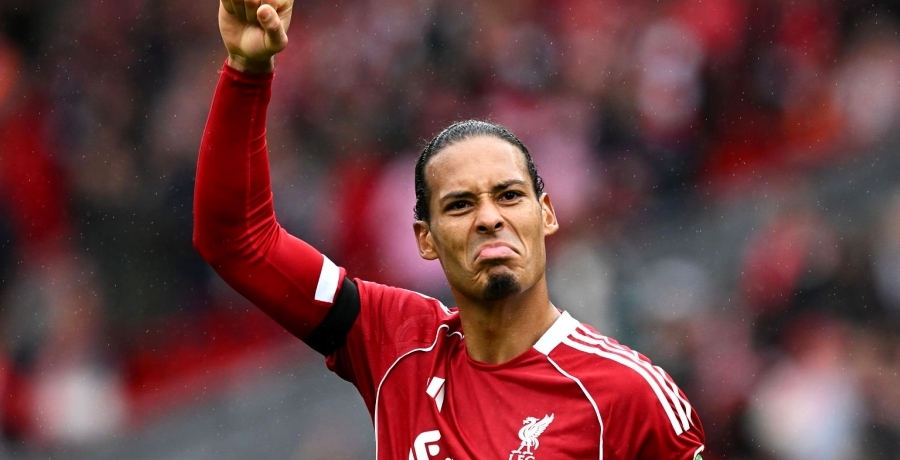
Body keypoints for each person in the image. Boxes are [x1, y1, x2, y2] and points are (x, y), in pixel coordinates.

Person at [193, 0, 707, 458]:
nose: (489, 217)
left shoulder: (629, 395)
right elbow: (237, 241)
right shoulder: (394, 342)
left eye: (509, 195)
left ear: (547, 214)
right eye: (460, 205)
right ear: (426, 239)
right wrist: (247, 70)